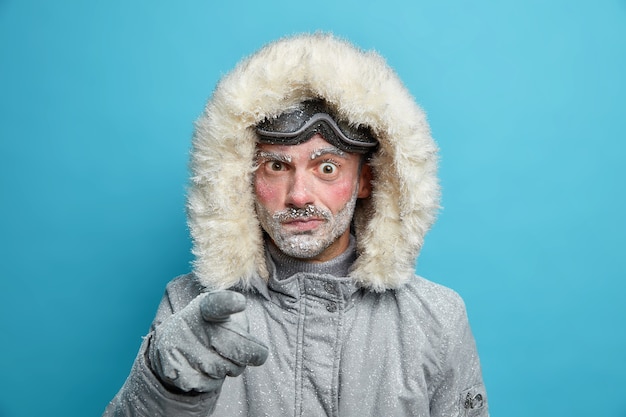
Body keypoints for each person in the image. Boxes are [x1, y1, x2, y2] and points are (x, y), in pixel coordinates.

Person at [104, 33, 489, 416]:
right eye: (276, 166)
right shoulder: (192, 308)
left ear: (368, 179)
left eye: (326, 167)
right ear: (242, 176)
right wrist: (161, 387)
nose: (299, 195)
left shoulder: (437, 319)